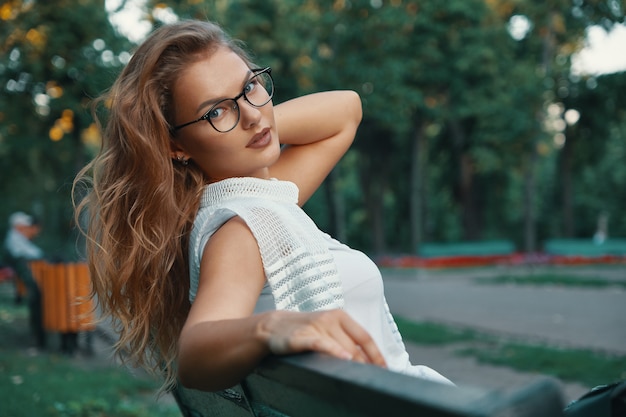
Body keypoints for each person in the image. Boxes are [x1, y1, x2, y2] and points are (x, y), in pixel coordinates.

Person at [73, 19, 452, 393]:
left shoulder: (262, 198)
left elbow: (346, 110)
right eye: (215, 112)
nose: (251, 114)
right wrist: (274, 326)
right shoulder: (242, 226)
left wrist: (255, 122)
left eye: (251, 86)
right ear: (176, 146)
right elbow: (195, 354)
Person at [3, 211, 46, 347]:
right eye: (25, 226)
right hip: (26, 284)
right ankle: (39, 340)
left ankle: (39, 339)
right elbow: (33, 253)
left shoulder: (17, 239)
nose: (28, 229)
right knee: (37, 304)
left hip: (25, 281)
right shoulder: (15, 240)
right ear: (18, 227)